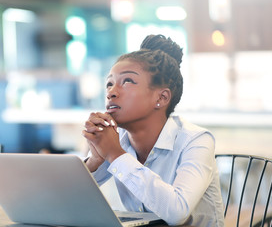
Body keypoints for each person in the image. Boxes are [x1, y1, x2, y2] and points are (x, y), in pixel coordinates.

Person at [82, 34, 224, 226]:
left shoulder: (196, 140)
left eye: (127, 81)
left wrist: (115, 154)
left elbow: (176, 212)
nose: (111, 92)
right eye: (109, 83)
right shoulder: (118, 139)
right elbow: (67, 199)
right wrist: (95, 160)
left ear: (162, 98)